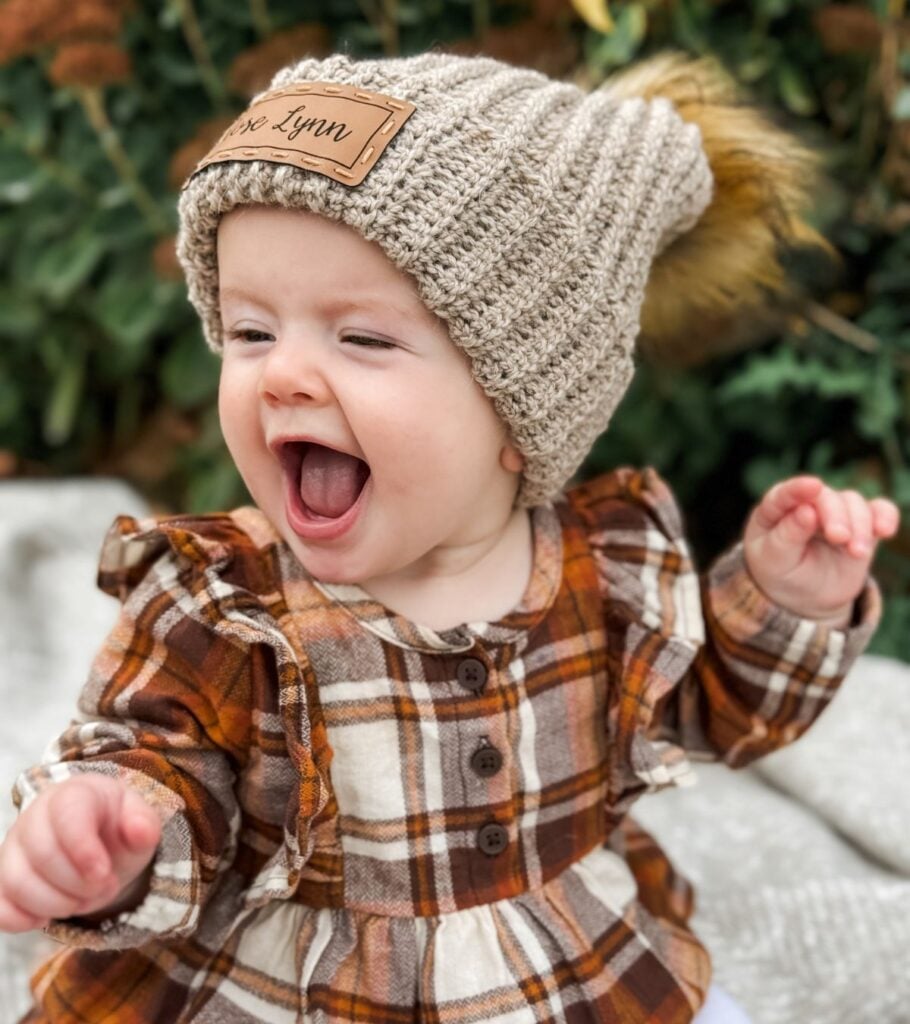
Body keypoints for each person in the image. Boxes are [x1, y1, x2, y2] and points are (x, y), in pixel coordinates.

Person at [0, 48, 900, 1024]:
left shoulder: (604, 575)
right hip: (295, 986)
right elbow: (162, 757)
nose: (282, 376)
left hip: (554, 967)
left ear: (523, 417)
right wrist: (111, 831)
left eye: (364, 338)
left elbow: (711, 709)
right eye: (252, 332)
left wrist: (784, 603)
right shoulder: (229, 603)